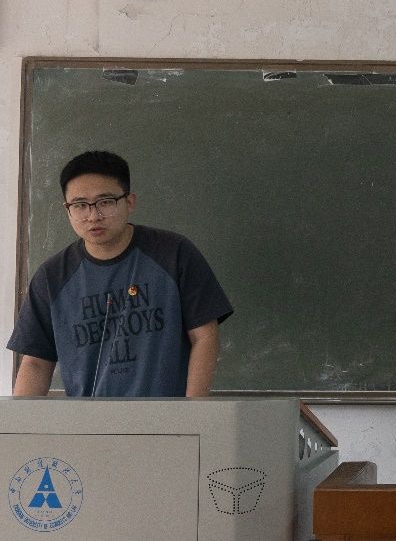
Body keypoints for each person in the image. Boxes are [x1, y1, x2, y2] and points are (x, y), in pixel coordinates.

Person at [7, 151, 233, 397]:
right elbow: (36, 363)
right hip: (86, 419)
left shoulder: (173, 253)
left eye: (105, 202)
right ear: (67, 210)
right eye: (80, 205)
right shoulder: (52, 277)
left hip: (167, 416)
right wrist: (20, 422)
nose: (93, 216)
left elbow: (204, 337)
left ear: (130, 202)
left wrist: (192, 412)